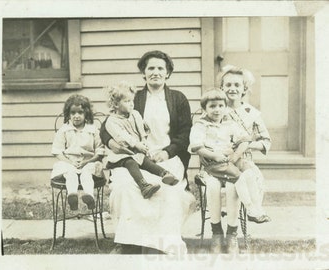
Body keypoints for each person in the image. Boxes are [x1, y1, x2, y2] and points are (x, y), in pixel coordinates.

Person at [100, 50, 194, 255]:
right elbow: (107, 126)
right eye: (150, 68)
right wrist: (111, 143)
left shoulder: (178, 99)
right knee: (125, 187)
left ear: (168, 73)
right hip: (133, 157)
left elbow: (185, 134)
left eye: (161, 68)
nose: (156, 72)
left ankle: (162, 243)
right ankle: (128, 242)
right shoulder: (133, 97)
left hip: (166, 157)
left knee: (168, 190)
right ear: (144, 72)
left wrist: (166, 153)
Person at [201, 65, 272, 254]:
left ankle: (232, 234)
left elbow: (266, 141)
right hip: (215, 162)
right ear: (222, 87)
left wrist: (244, 146)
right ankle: (216, 233)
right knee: (213, 185)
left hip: (242, 162)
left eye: (237, 85)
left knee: (235, 185)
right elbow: (200, 138)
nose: (232, 88)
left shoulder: (252, 113)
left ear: (244, 89)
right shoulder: (214, 109)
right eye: (228, 84)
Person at [189, 89, 271, 224]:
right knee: (239, 177)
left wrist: (236, 154)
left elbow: (244, 139)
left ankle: (257, 208)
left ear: (225, 107)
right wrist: (215, 156)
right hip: (213, 163)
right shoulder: (201, 125)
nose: (217, 110)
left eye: (221, 106)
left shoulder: (229, 123)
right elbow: (197, 147)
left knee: (250, 173)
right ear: (205, 108)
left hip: (229, 160)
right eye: (212, 106)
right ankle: (250, 209)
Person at [104, 82, 179, 199]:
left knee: (145, 161)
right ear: (116, 104)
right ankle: (144, 186)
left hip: (136, 151)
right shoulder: (112, 121)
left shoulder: (135, 114)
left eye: (131, 101)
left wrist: (143, 141)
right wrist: (137, 144)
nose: (131, 104)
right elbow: (122, 137)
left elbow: (141, 129)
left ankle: (165, 174)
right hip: (121, 154)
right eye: (127, 101)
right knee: (130, 162)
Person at [51, 94, 104, 211]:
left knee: (87, 174)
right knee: (70, 174)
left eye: (80, 112)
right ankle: (72, 196)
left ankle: (89, 196)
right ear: (68, 114)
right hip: (69, 162)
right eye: (73, 113)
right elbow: (57, 151)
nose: (76, 116)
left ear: (86, 114)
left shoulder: (92, 130)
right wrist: (69, 162)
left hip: (88, 161)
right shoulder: (64, 130)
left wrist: (87, 161)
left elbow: (99, 151)